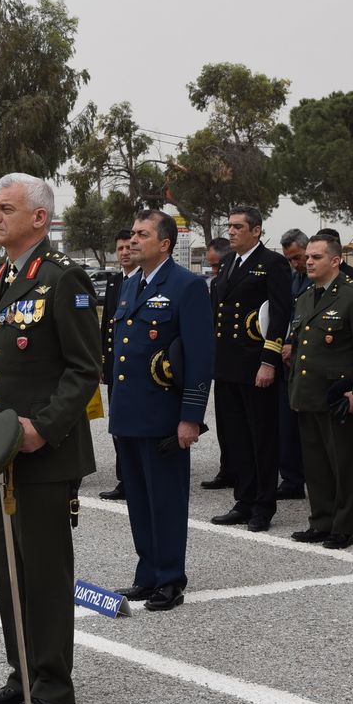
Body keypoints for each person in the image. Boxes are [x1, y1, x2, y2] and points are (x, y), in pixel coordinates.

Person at [0, 173, 100, 704]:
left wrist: (42, 428)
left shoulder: (63, 280)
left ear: (39, 218)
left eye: (6, 208)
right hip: (1, 452)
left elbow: (83, 370)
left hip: (44, 453)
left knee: (44, 571)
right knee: (8, 568)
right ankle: (21, 669)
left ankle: (53, 684)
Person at [109, 210, 211, 609]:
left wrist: (191, 417)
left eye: (142, 235)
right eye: (132, 233)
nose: (133, 240)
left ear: (164, 244)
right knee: (138, 499)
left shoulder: (187, 286)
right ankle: (147, 572)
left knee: (166, 500)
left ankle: (170, 579)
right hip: (130, 415)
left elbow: (200, 358)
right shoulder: (130, 285)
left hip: (164, 417)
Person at [285, 234, 353, 549]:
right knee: (315, 465)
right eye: (308, 257)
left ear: (335, 261)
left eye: (316, 257)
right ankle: (321, 520)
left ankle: (342, 527)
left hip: (338, 396)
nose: (309, 262)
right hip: (309, 394)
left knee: (343, 464)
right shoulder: (306, 296)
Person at [208, 206, 291, 532]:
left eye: (238, 227)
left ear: (256, 231)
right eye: (229, 226)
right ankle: (243, 500)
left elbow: (280, 315)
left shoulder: (272, 264)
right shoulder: (228, 262)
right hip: (228, 365)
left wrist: (268, 361)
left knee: (261, 439)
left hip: (256, 365)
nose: (231, 232)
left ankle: (263, 506)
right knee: (237, 438)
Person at [276, 228, 313, 501]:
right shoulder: (293, 279)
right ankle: (291, 479)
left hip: (311, 361)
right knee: (286, 424)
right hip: (290, 362)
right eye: (290, 259)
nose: (296, 264)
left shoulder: (319, 280)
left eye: (298, 257)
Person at [99, 229, 134, 500]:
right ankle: (124, 479)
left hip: (136, 368)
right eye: (120, 248)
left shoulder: (143, 281)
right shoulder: (114, 282)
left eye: (128, 247)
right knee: (118, 424)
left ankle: (137, 477)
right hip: (114, 368)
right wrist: (102, 362)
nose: (124, 253)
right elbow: (106, 325)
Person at [200, 237, 236, 491]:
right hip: (221, 361)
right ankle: (227, 469)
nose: (214, 271)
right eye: (211, 266)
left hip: (241, 362)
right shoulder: (216, 284)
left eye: (217, 265)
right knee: (223, 422)